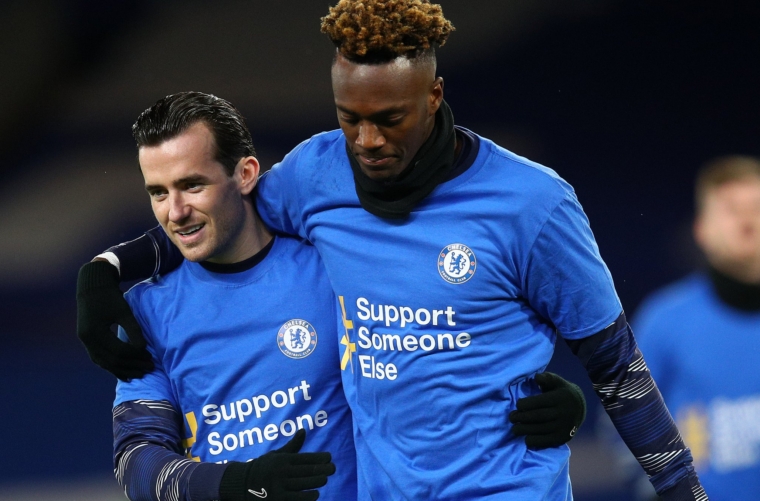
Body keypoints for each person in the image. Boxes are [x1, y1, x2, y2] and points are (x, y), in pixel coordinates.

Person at [76, 1, 707, 499]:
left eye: (390, 118)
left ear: (434, 97)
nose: (367, 139)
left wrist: (681, 491)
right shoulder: (314, 174)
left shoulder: (531, 203)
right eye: (350, 117)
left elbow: (618, 367)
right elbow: (212, 211)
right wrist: (109, 270)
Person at [91, 91, 354, 501]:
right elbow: (136, 461)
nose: (174, 212)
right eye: (158, 192)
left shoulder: (331, 269)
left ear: (246, 174)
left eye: (192, 185)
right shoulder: (147, 311)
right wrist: (238, 483)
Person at [633, 156, 760, 501]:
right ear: (702, 229)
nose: (748, 220)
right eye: (732, 209)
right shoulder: (663, 321)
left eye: (757, 207)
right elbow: (625, 429)